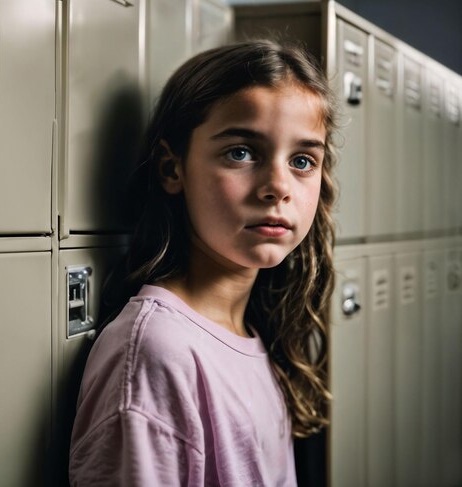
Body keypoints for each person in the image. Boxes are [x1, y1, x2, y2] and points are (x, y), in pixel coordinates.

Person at [69, 39, 338, 486]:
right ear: (173, 170)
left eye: (302, 160)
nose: (277, 186)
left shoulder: (251, 329)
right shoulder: (158, 354)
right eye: (241, 152)